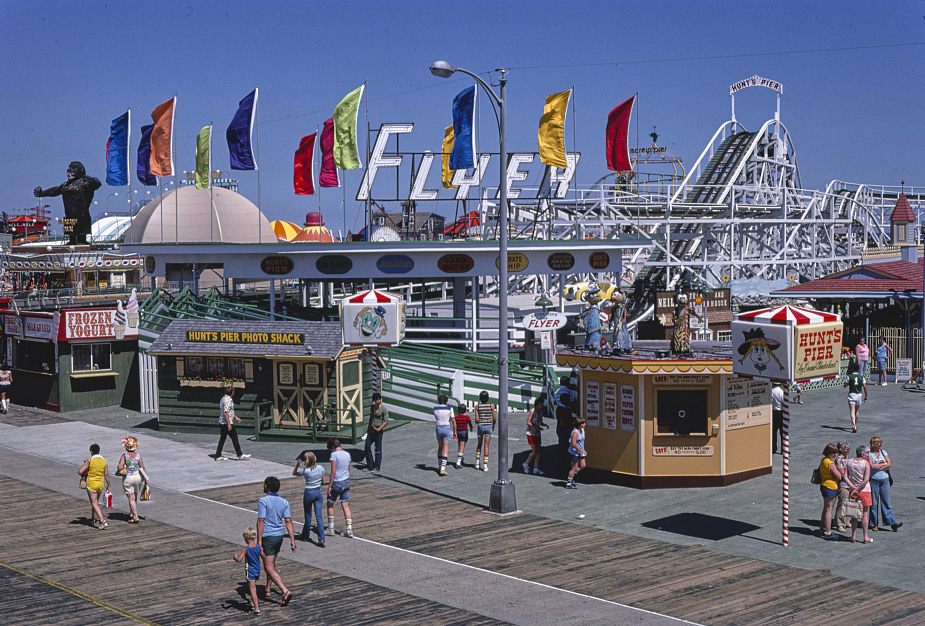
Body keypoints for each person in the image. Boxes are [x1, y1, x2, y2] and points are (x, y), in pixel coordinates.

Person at [34, 161, 101, 245]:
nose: (70, 169)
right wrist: (42, 193)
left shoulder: (85, 182)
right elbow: (55, 190)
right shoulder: (65, 185)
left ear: (80, 170)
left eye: (74, 167)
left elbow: (97, 183)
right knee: (71, 240)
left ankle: (80, 241)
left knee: (81, 240)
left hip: (82, 217)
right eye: (70, 167)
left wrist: (89, 179)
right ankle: (73, 240)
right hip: (69, 217)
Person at [256, 476, 294, 606]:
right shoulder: (284, 502)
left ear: (267, 486)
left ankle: (284, 590)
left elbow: (261, 520)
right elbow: (288, 521)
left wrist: (259, 540)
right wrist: (292, 541)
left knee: (268, 565)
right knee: (271, 563)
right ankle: (267, 589)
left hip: (268, 536)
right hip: (279, 536)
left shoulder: (263, 501)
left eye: (264, 484)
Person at [868, 436, 902, 532]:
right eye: (878, 443)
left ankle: (891, 522)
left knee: (887, 502)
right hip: (874, 481)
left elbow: (889, 464)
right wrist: (883, 465)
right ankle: (874, 523)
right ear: (874, 444)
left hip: (885, 480)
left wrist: (878, 466)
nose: (881, 444)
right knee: (874, 503)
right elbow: (871, 466)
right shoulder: (869, 454)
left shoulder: (883, 452)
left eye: (881, 443)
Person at [293, 451, 326, 547]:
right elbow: (324, 481)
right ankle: (321, 538)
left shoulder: (305, 471)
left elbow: (294, 473)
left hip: (309, 492)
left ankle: (305, 535)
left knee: (308, 515)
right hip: (318, 492)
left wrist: (297, 465)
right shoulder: (320, 468)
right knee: (319, 516)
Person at [844, 445, 873, 543]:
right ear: (863, 454)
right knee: (865, 514)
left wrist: (853, 488)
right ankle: (865, 536)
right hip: (864, 490)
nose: (868, 455)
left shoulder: (849, 461)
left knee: (854, 514)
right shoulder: (866, 463)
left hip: (852, 490)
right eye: (867, 453)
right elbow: (866, 479)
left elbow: (845, 477)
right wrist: (858, 489)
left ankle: (853, 536)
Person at [78, 443, 110, 529]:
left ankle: (102, 521)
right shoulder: (104, 461)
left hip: (91, 483)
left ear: (91, 451)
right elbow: (106, 474)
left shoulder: (90, 460)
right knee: (95, 503)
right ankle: (92, 519)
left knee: (94, 503)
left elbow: (80, 471)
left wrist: (87, 472)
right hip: (100, 483)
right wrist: (108, 485)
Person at [326, 438, 354, 537]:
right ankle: (349, 530)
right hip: (346, 481)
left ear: (333, 447)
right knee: (345, 505)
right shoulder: (347, 454)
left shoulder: (334, 455)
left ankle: (331, 528)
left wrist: (330, 486)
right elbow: (348, 468)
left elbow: (333, 472)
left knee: (330, 504)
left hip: (337, 482)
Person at [117, 435, 148, 524]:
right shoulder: (138, 455)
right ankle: (131, 515)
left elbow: (120, 466)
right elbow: (142, 467)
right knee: (134, 497)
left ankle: (136, 516)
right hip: (138, 477)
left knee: (131, 498)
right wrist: (146, 479)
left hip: (128, 477)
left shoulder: (124, 455)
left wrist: (121, 468)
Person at [216, 383, 251, 461]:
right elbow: (226, 412)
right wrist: (229, 424)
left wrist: (236, 417)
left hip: (222, 422)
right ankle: (240, 454)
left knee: (223, 439)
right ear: (232, 392)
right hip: (226, 422)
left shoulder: (223, 398)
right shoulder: (228, 400)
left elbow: (229, 411)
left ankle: (218, 455)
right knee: (234, 438)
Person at [232, 527, 262, 615]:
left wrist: (235, 557)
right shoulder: (258, 546)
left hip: (250, 571)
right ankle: (252, 603)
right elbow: (262, 554)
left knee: (252, 590)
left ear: (246, 538)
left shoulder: (246, 548)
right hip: (257, 569)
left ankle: (256, 609)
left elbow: (239, 560)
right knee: (254, 587)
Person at [817, 443, 843, 540]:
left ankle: (822, 527)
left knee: (825, 507)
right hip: (831, 486)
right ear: (830, 453)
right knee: (829, 509)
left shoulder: (823, 460)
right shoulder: (830, 464)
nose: (835, 455)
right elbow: (839, 476)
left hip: (823, 484)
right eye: (834, 453)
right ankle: (828, 531)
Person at [554, 376, 577, 466]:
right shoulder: (570, 392)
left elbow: (554, 402)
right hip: (566, 421)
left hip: (560, 423)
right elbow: (573, 401)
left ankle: (561, 459)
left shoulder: (557, 392)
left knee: (561, 442)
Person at [364, 392, 389, 472]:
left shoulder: (383, 409)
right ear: (374, 400)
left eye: (379, 399)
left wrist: (380, 428)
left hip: (378, 430)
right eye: (377, 400)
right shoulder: (372, 408)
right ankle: (370, 465)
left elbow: (386, 421)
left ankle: (377, 467)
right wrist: (367, 430)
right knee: (367, 447)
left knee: (378, 449)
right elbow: (371, 419)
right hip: (371, 429)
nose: (378, 401)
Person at [433, 394, 455, 476]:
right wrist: (455, 432)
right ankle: (443, 468)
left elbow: (436, 417)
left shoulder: (435, 408)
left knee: (440, 447)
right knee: (446, 449)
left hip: (438, 427)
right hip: (446, 427)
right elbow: (453, 421)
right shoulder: (450, 408)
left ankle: (439, 466)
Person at [523, 397, 546, 475]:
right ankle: (526, 463)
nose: (542, 405)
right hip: (531, 433)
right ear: (538, 404)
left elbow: (540, 421)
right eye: (541, 404)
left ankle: (536, 468)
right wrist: (536, 427)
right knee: (534, 450)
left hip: (537, 433)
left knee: (538, 450)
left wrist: (544, 424)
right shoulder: (532, 411)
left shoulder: (540, 412)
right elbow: (528, 422)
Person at [474, 391, 496, 473]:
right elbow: (494, 418)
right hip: (488, 426)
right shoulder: (491, 406)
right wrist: (493, 426)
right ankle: (485, 465)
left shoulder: (477, 407)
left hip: (480, 426)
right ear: (488, 398)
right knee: (486, 446)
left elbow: (476, 420)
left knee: (479, 445)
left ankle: (477, 463)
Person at [833, 441, 852, 533]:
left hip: (850, 484)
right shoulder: (839, 459)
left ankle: (847, 520)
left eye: (848, 448)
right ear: (841, 450)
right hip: (843, 484)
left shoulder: (847, 458)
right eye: (846, 449)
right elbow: (842, 472)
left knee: (849, 503)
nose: (848, 450)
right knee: (842, 503)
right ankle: (839, 523)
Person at [843, 359, 867, 433]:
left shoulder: (849, 376)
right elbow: (865, 387)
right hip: (859, 394)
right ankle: (855, 424)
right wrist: (866, 396)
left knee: (852, 411)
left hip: (852, 394)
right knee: (856, 411)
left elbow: (845, 385)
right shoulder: (861, 377)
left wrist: (848, 383)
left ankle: (854, 425)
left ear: (852, 369)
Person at [565, 417, 587, 489]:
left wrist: (583, 450)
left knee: (583, 465)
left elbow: (582, 442)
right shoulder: (575, 432)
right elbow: (574, 444)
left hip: (580, 452)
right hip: (574, 452)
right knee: (574, 468)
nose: (585, 424)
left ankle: (571, 477)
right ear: (579, 425)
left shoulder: (583, 430)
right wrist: (580, 451)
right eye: (583, 423)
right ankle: (569, 483)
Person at [453, 403, 473, 468]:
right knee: (462, 446)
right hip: (464, 432)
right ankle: (458, 462)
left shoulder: (456, 417)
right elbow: (469, 423)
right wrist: (471, 428)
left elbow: (455, 424)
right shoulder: (467, 417)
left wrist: (455, 432)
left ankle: (460, 457)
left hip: (458, 431)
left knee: (459, 445)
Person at [770, 382, 784, 454]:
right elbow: (784, 404)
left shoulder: (771, 391)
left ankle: (773, 448)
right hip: (781, 412)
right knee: (782, 432)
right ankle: (783, 449)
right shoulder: (781, 392)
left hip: (773, 412)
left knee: (774, 432)